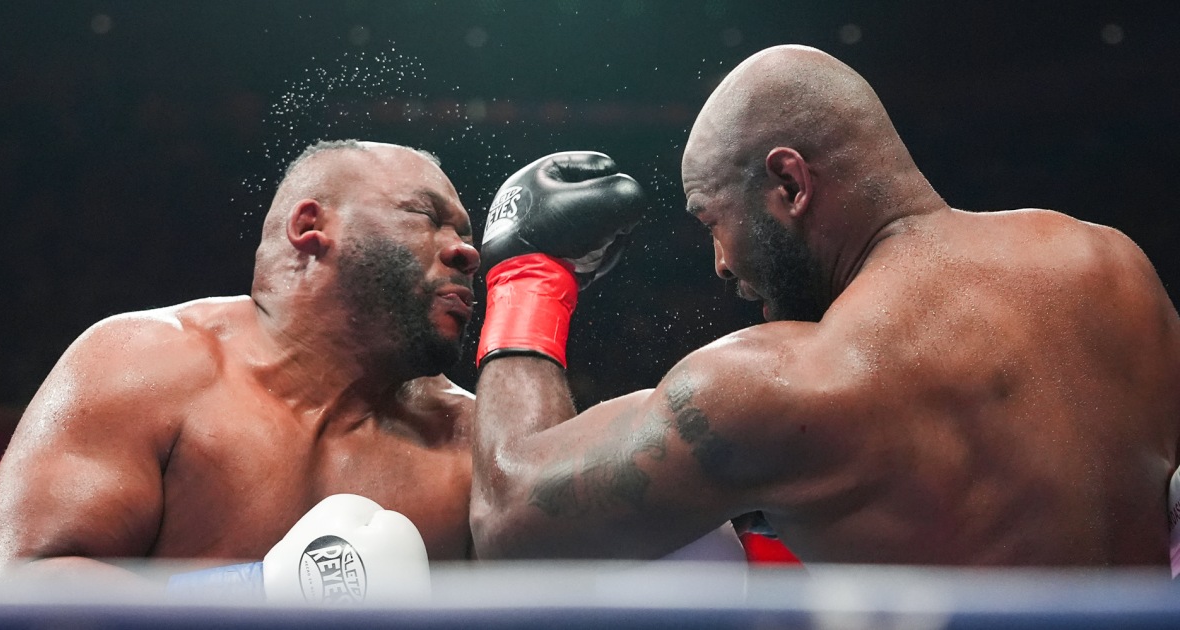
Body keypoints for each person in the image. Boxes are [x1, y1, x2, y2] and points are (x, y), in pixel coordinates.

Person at [468, 45, 1180, 570]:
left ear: (790, 184)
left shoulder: (781, 385)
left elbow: (510, 518)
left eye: (713, 220)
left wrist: (527, 276)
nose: (719, 263)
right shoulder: (1111, 266)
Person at [0, 140, 481, 584]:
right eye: (427, 217)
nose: (466, 252)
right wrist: (254, 594)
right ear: (310, 226)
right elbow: (20, 588)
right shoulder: (149, 363)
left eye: (466, 233)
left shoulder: (469, 438)